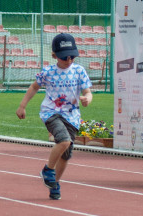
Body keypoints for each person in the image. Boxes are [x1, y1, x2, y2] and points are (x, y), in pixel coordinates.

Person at [15, 33, 93, 200]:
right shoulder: (48, 71)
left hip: (72, 116)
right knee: (64, 141)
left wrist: (87, 99)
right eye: (65, 57)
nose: (69, 60)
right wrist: (22, 106)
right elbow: (34, 87)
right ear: (54, 56)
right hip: (51, 113)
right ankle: (48, 169)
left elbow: (87, 91)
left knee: (66, 154)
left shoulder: (79, 71)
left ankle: (54, 183)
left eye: (72, 56)